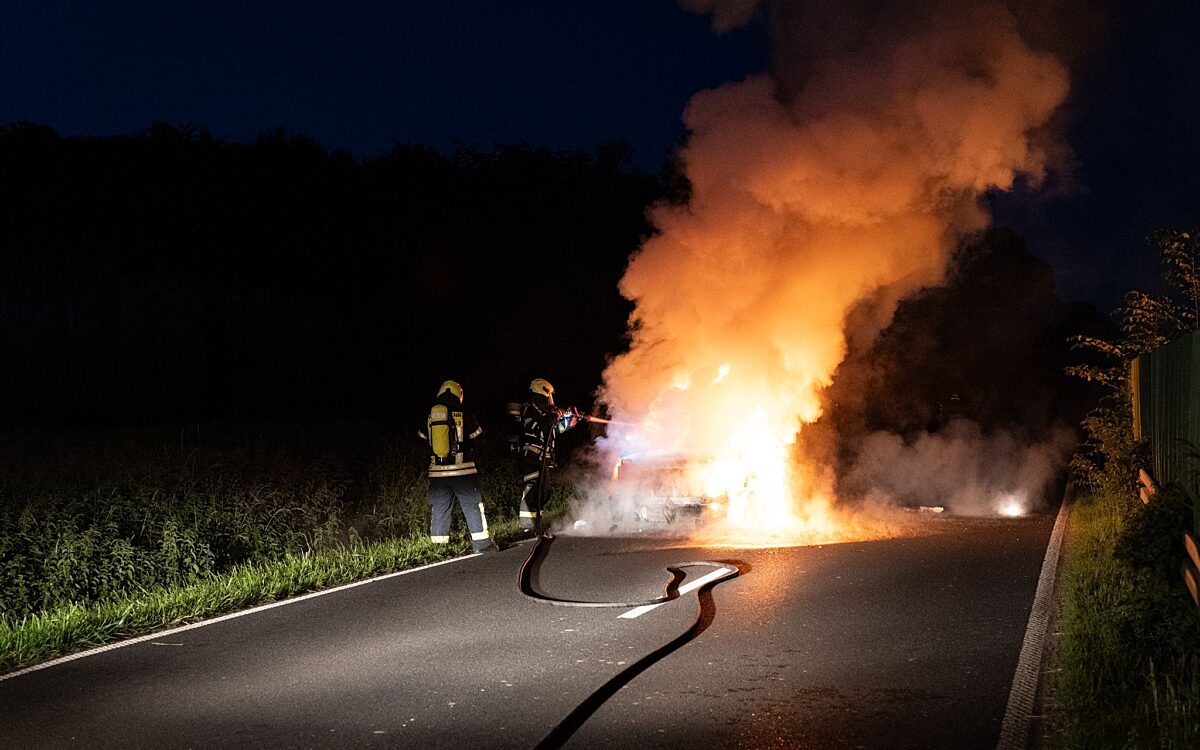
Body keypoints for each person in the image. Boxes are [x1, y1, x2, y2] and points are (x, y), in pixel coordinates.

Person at [417, 380, 496, 553]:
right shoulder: (465, 414)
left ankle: (438, 549)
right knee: (472, 505)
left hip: (437, 474)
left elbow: (422, 441)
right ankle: (482, 545)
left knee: (440, 507)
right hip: (464, 472)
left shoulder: (429, 416)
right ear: (458, 394)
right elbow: (480, 440)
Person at [518, 378, 581, 530]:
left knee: (544, 491)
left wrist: (571, 420)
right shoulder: (531, 408)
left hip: (543, 458)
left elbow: (555, 429)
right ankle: (526, 525)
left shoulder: (545, 411)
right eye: (550, 394)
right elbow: (543, 425)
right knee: (533, 490)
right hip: (532, 457)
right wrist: (556, 414)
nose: (551, 398)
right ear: (543, 390)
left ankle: (536, 523)